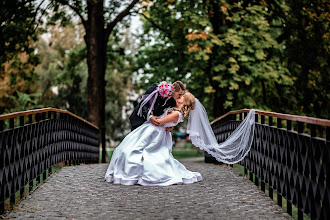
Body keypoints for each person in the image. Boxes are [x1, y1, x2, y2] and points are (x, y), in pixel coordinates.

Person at [105, 92, 202, 186]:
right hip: (153, 130)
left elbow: (159, 121)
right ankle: (132, 172)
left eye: (182, 97)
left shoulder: (177, 114)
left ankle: (135, 174)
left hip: (155, 131)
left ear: (184, 102)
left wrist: (150, 114)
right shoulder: (176, 112)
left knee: (141, 151)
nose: (179, 97)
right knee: (132, 149)